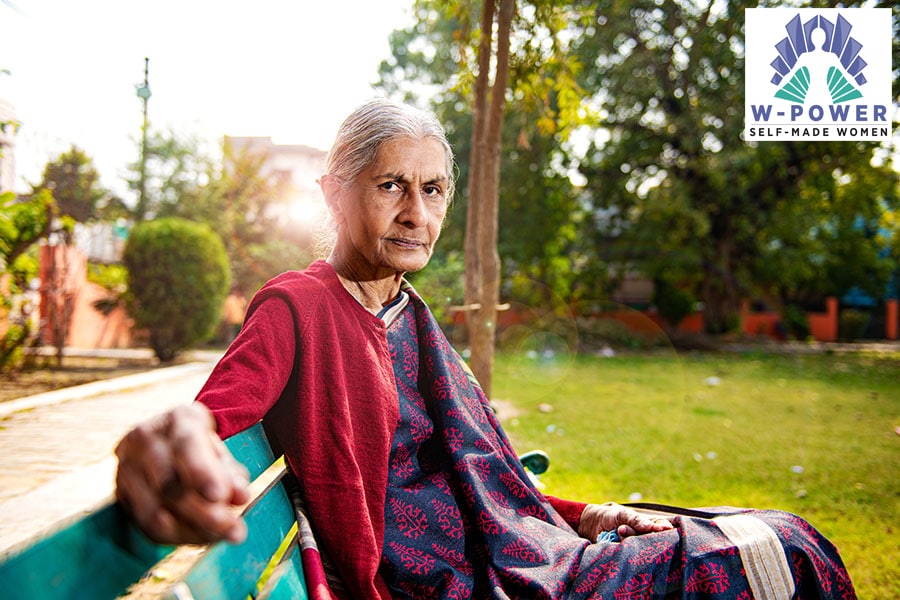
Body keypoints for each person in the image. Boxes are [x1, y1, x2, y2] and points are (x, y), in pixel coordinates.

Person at [115, 99, 855, 599]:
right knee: (779, 553)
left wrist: (588, 516)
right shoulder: (300, 304)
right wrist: (175, 435)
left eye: (434, 190)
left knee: (771, 534)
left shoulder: (408, 312)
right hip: (468, 581)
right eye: (393, 186)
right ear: (335, 195)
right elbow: (211, 414)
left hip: (522, 549)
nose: (417, 213)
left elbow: (483, 474)